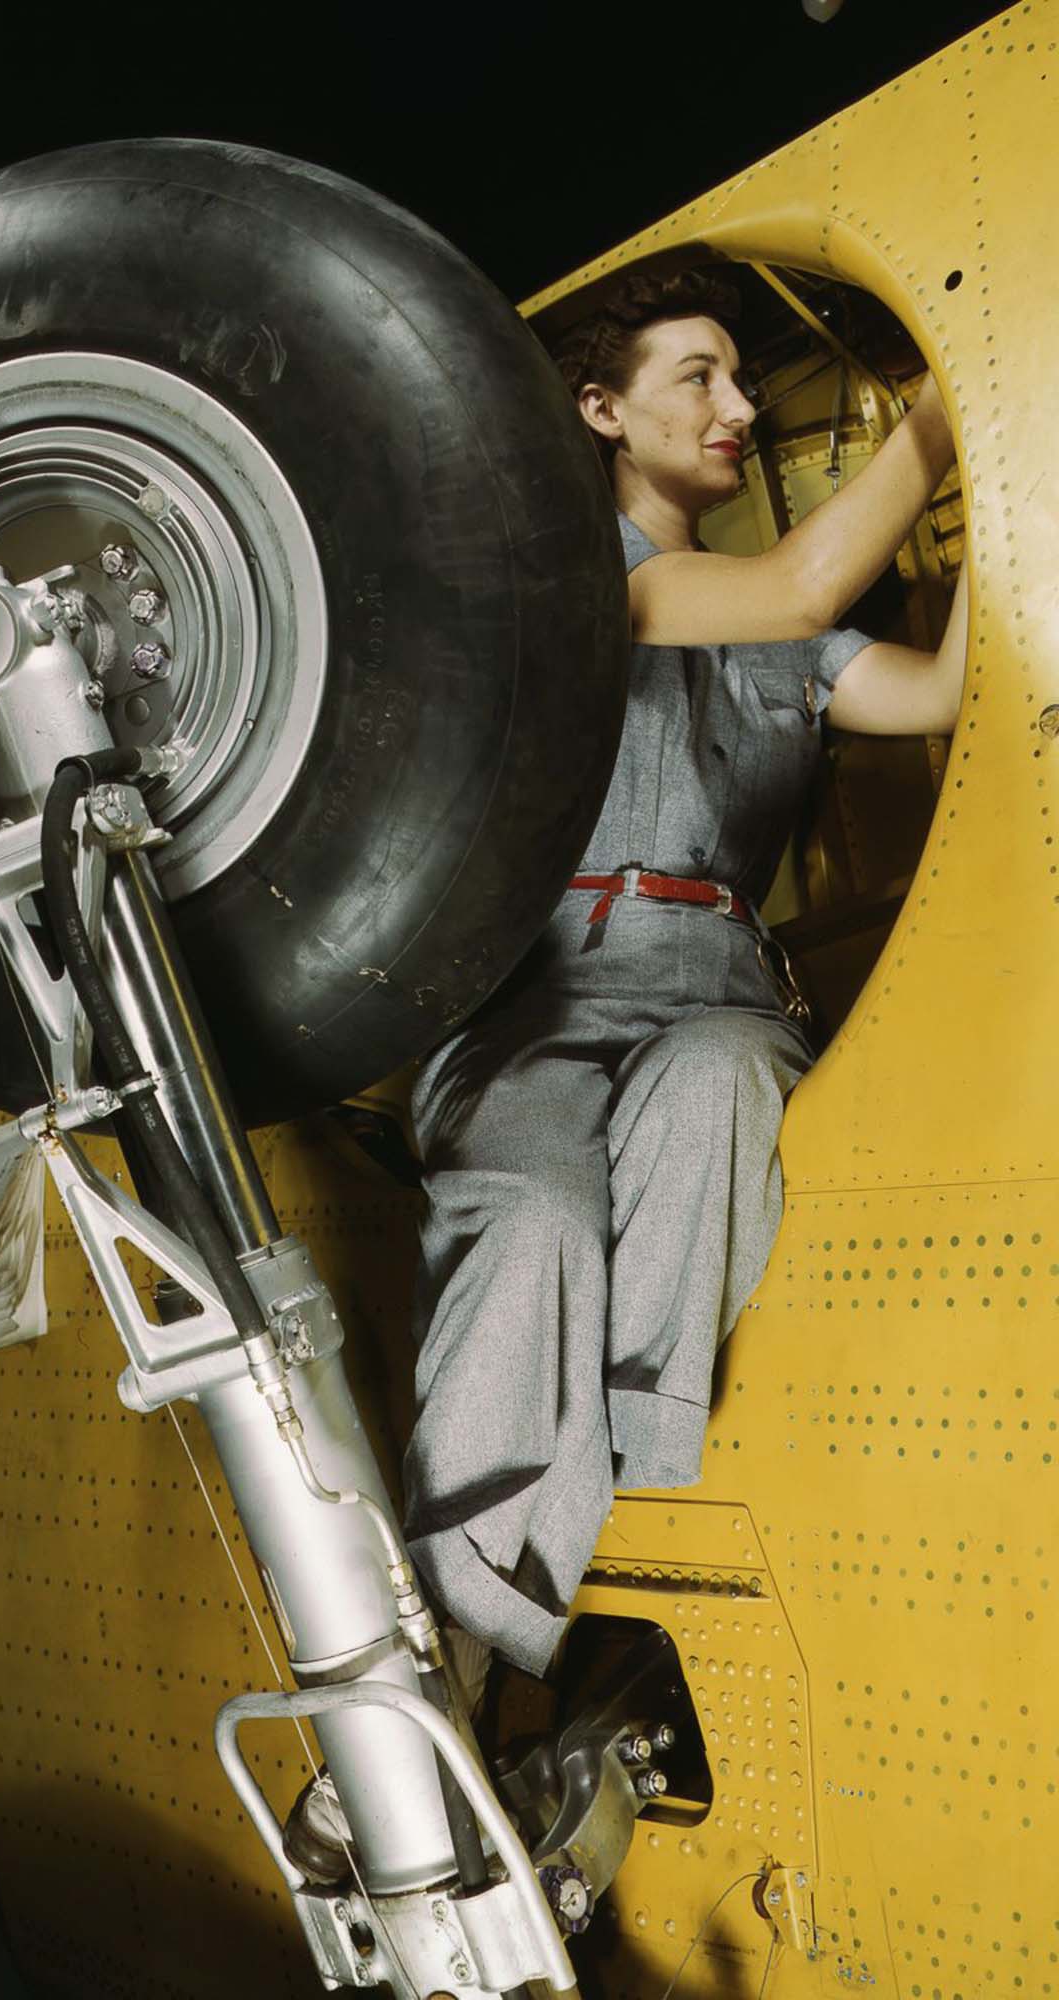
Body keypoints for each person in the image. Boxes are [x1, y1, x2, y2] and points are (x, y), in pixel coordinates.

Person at [401, 267, 967, 1706]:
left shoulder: (789, 637)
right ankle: (446, 1661)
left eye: (738, 378)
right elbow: (793, 579)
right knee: (529, 1214)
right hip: (533, 998)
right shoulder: (565, 581)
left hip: (715, 987)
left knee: (719, 1086)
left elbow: (938, 691)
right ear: (599, 410)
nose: (735, 408)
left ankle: (632, 1546)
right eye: (695, 380)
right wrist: (939, 424)